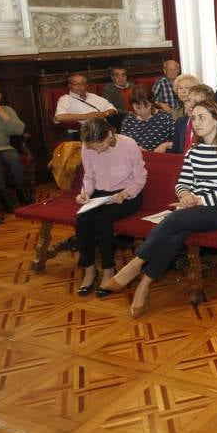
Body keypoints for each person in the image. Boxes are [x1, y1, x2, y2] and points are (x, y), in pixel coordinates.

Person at [100, 101, 217, 317]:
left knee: (174, 220)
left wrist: (196, 200)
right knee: (175, 234)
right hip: (194, 208)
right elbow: (182, 182)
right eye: (194, 118)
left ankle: (134, 265)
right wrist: (185, 194)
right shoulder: (194, 150)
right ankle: (143, 286)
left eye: (202, 117)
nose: (196, 122)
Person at [75, 118, 146, 298]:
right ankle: (90, 270)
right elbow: (89, 176)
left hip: (128, 195)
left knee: (102, 220)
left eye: (100, 145)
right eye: (93, 147)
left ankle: (108, 268)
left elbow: (140, 179)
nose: (97, 150)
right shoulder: (87, 146)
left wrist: (124, 194)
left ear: (109, 134)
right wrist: (85, 193)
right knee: (82, 219)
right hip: (100, 194)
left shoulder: (128, 145)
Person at [0, 81, 30, 210]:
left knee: (14, 159)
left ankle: (21, 192)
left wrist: (3, 115)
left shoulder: (7, 110)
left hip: (5, 147)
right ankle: (4, 197)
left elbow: (19, 130)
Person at [120, 85, 174, 152]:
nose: (143, 111)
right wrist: (133, 148)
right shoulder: (128, 119)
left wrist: (166, 145)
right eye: (138, 108)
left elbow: (179, 143)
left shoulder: (165, 118)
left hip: (158, 159)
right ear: (132, 105)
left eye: (147, 106)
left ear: (152, 102)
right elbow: (122, 143)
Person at [170, 84, 214, 155]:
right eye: (188, 100)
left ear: (207, 106)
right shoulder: (180, 122)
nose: (190, 105)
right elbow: (175, 150)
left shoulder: (209, 125)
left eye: (196, 102)